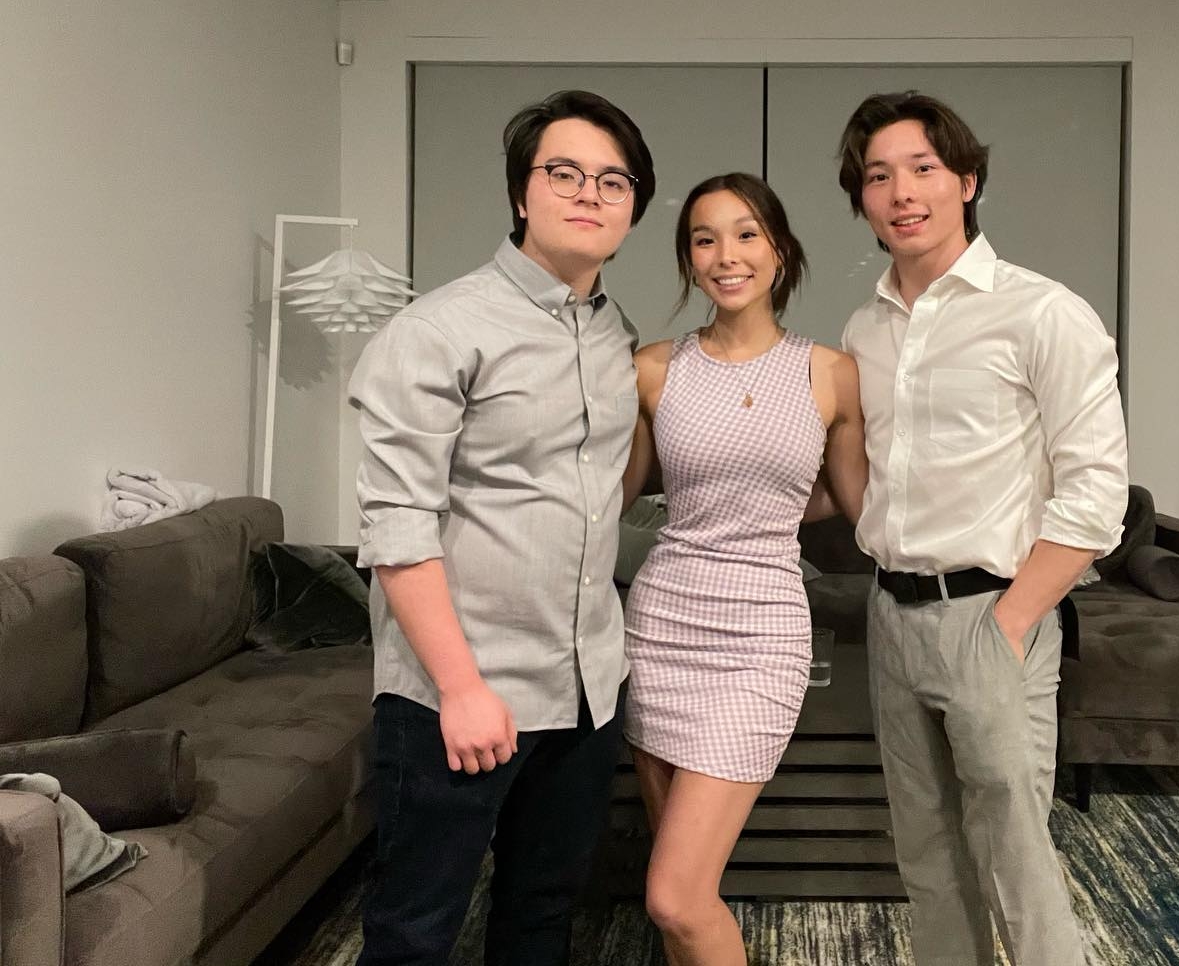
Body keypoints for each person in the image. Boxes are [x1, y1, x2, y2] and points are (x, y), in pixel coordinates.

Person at [348, 89, 656, 966]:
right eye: (564, 173)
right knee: (415, 929)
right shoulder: (437, 330)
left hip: (586, 684)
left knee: (542, 915)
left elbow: (600, 490)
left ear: (632, 208)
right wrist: (461, 689)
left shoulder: (614, 332)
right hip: (462, 691)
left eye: (613, 180)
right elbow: (398, 527)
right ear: (522, 192)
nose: (589, 193)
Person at [835, 92, 1129, 966]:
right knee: (926, 859)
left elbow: (1096, 494)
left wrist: (1009, 624)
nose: (901, 192)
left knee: (1016, 861)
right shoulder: (864, 328)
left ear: (967, 180)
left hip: (993, 614)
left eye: (923, 168)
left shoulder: (1043, 312)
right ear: (861, 199)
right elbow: (869, 475)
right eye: (878, 176)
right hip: (891, 615)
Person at [620, 172, 868, 965]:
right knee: (678, 898)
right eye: (705, 239)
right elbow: (611, 497)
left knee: (674, 896)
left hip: (762, 635)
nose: (727, 254)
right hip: (660, 628)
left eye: (747, 234)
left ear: (781, 250)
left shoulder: (830, 372)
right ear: (689, 260)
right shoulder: (653, 370)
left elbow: (857, 502)